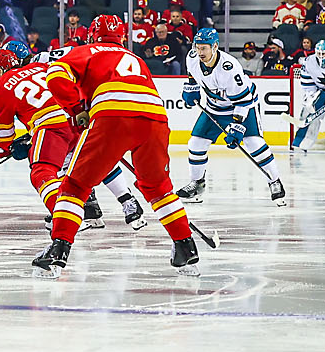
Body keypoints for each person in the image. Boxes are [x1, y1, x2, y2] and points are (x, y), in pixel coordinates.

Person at [31, 14, 199, 277]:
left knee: (75, 186)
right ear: (121, 36)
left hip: (112, 114)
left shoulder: (86, 51)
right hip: (155, 118)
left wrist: (76, 109)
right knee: (158, 187)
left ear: (91, 35)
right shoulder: (136, 58)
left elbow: (54, 76)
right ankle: (185, 246)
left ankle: (58, 250)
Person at [0, 43, 146, 229]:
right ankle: (122, 203)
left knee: (44, 171)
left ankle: (64, 214)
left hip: (51, 127)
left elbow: (3, 137)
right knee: (94, 160)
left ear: (0, 69)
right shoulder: (42, 66)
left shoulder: (0, 89)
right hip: (76, 115)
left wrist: (3, 150)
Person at [176, 28, 285, 206]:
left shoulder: (229, 68)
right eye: (198, 47)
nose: (200, 52)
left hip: (243, 104)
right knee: (196, 143)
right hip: (215, 107)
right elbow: (192, 74)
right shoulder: (192, 56)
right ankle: (197, 183)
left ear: (215, 46)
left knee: (253, 143)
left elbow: (243, 101)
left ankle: (274, 181)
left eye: (204, 48)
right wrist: (191, 87)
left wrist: (236, 126)